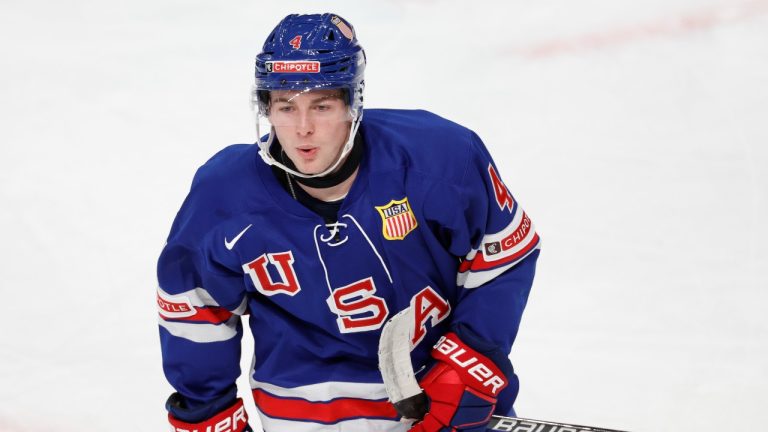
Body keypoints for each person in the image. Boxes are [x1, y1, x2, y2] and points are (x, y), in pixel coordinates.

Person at [157, 13, 540, 432]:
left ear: (351, 102)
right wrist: (208, 415)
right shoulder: (224, 197)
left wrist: (471, 361)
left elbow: (503, 254)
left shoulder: (440, 159)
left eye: (321, 105)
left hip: (445, 405)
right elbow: (194, 309)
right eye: (286, 106)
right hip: (304, 417)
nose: (303, 129)